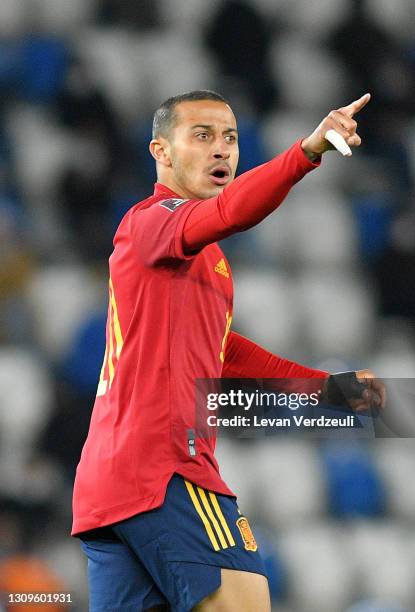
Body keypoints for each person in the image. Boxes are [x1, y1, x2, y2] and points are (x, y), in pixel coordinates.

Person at [72, 90, 385, 612]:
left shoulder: (201, 259)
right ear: (161, 152)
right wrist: (307, 152)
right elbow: (231, 211)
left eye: (231, 138)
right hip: (166, 470)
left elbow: (223, 352)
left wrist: (328, 389)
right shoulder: (153, 220)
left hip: (110, 489)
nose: (222, 150)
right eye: (203, 135)